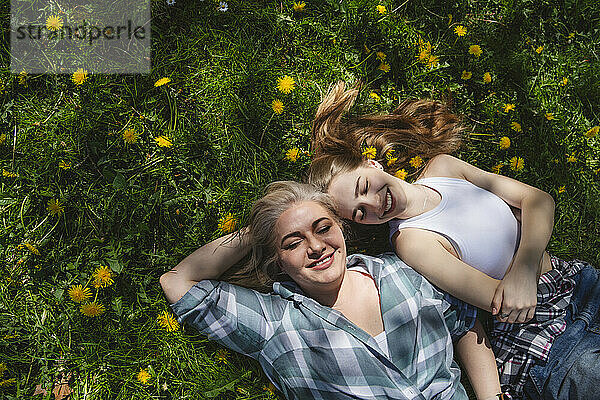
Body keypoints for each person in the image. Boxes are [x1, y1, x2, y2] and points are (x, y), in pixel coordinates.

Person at [307, 81, 600, 399]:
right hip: (537, 331)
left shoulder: (444, 167)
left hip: (575, 282)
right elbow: (500, 300)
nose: (374, 204)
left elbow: (539, 201)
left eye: (364, 187)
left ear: (371, 163)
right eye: (361, 213)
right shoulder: (413, 241)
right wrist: (524, 264)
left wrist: (525, 269)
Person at [160, 181, 505, 400]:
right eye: (294, 243)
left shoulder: (404, 271)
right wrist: (260, 231)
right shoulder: (274, 323)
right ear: (279, 262)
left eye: (323, 228)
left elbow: (464, 324)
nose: (315, 246)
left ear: (341, 228)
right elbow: (177, 282)